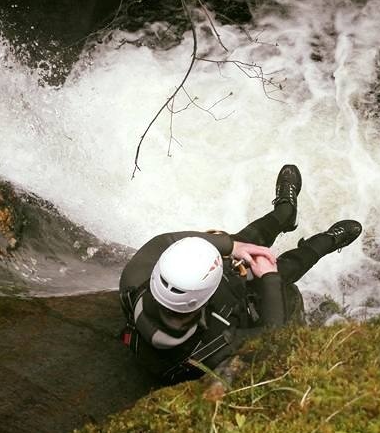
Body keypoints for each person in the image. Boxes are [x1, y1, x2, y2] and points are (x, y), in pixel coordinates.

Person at [118, 164, 361, 384]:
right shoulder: (217, 345)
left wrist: (232, 247)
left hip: (211, 301)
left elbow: (166, 241)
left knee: (245, 242)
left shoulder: (134, 280)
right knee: (278, 269)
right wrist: (269, 279)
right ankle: (326, 242)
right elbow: (273, 338)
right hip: (231, 307)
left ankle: (285, 213)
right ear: (209, 294)